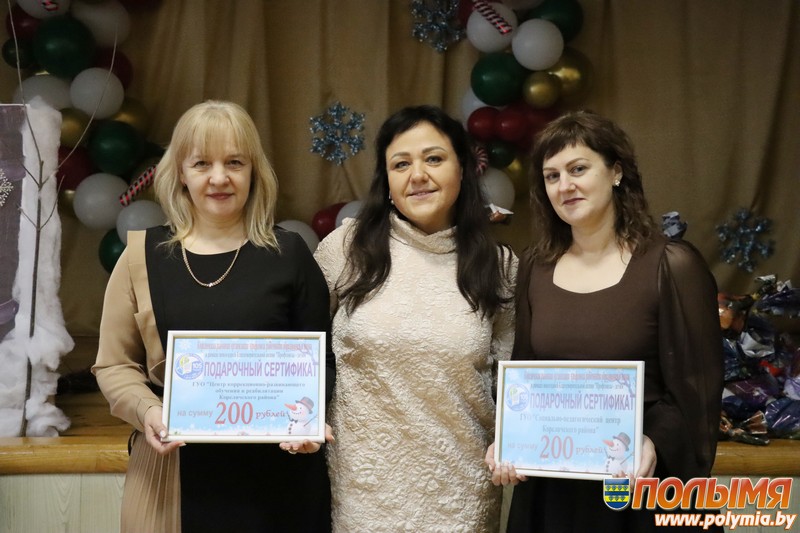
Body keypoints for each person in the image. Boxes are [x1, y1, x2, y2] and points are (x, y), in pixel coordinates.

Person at [92, 100, 334, 533]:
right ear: (180, 172)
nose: (219, 178)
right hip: (175, 475)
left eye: (235, 162)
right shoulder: (140, 257)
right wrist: (149, 411)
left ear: (254, 171)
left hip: (280, 481)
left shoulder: (291, 254)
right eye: (202, 163)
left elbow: (322, 363)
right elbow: (114, 365)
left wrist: (308, 423)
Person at [488, 110, 723, 532]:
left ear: (616, 172)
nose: (565, 185)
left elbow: (696, 387)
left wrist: (654, 441)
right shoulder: (535, 267)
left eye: (578, 169)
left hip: (641, 487)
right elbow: (525, 374)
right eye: (552, 176)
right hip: (554, 493)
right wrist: (508, 440)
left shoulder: (672, 265)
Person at [313, 105, 517, 532]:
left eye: (434, 159)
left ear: (463, 169)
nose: (417, 175)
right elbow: (300, 350)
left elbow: (512, 381)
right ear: (386, 180)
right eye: (401, 164)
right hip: (363, 493)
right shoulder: (346, 249)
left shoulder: (499, 266)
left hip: (462, 493)